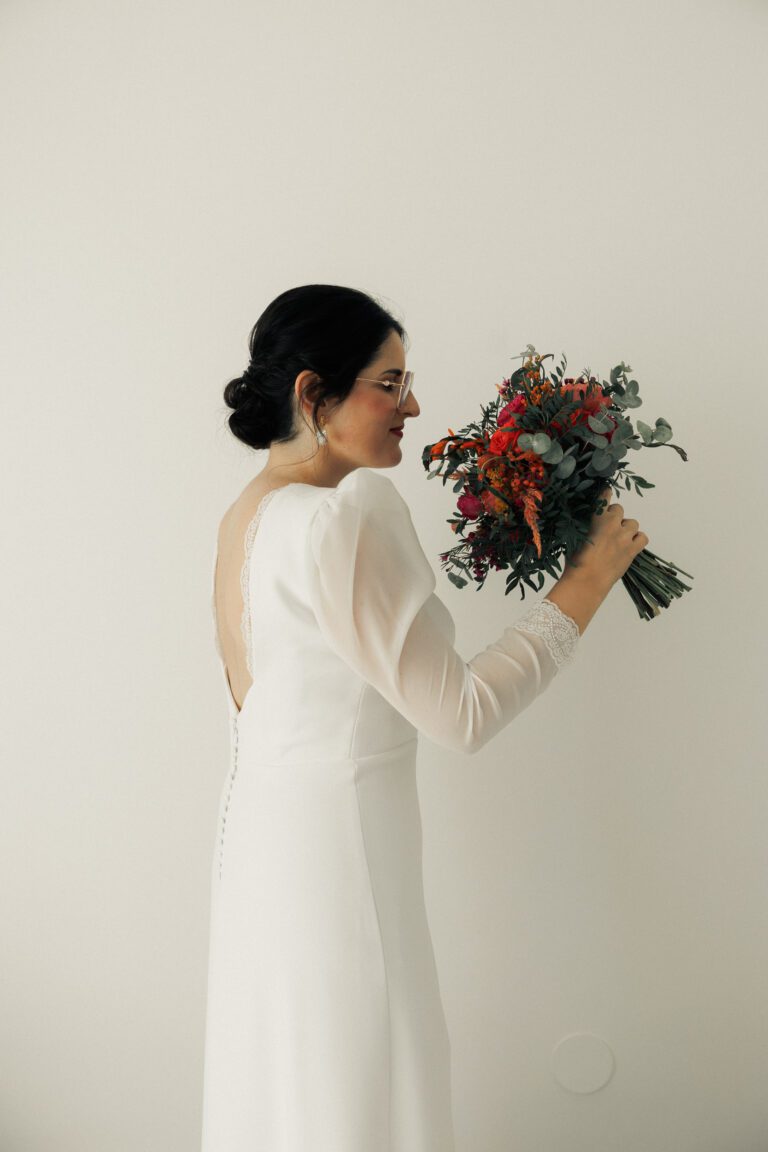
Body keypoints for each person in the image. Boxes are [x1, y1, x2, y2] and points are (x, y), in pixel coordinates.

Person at [202, 285, 648, 1151]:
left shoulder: (246, 516)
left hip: (262, 863)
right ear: (311, 394)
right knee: (364, 1092)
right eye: (389, 382)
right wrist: (586, 580)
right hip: (342, 873)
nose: (413, 405)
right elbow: (464, 715)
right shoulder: (346, 513)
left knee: (293, 1093)